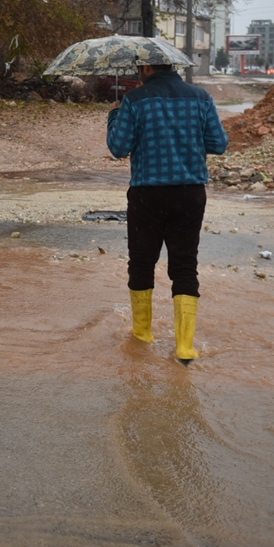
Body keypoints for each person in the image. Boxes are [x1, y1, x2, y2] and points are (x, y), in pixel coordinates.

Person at [106, 57, 229, 362]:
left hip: (147, 195)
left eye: (139, 68)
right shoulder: (201, 97)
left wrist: (113, 117)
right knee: (185, 267)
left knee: (142, 263)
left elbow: (118, 148)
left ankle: (142, 335)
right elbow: (219, 143)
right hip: (189, 195)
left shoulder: (133, 100)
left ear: (147, 68)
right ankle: (185, 347)